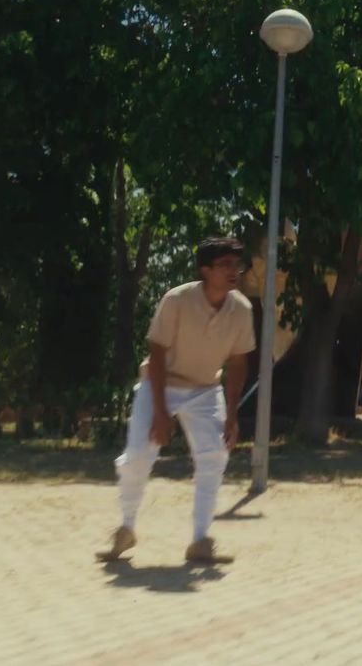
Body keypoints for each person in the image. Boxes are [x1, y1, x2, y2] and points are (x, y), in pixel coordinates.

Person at [97, 237, 255, 565]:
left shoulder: (241, 309)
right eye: (225, 264)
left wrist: (232, 416)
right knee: (138, 455)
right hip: (160, 384)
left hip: (206, 390)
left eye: (235, 264)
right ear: (205, 270)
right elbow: (156, 353)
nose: (233, 271)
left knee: (214, 457)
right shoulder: (177, 300)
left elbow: (238, 364)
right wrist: (159, 412)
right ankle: (126, 529)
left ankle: (200, 541)